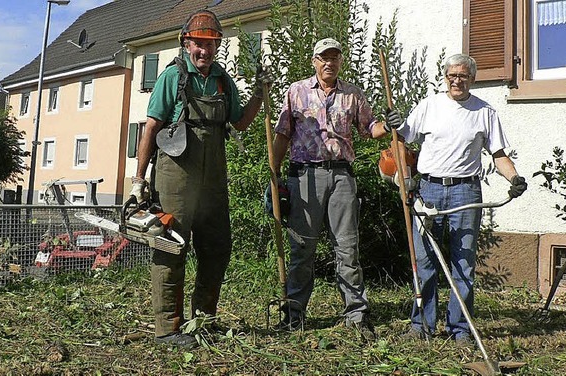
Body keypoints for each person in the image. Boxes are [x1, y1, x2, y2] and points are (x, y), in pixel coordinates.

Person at [130, 9, 271, 349]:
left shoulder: (223, 81)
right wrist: (138, 180)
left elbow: (239, 123)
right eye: (199, 44)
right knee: (171, 249)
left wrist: (259, 95)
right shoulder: (172, 78)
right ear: (186, 43)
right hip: (175, 176)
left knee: (217, 248)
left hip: (213, 180)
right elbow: (151, 128)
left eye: (211, 44)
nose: (205, 51)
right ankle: (167, 329)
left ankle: (204, 319)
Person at [390, 53, 528, 343]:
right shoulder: (429, 106)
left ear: (472, 79)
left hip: (466, 191)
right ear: (445, 77)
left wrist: (514, 178)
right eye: (452, 75)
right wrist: (396, 123)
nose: (457, 80)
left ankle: (460, 329)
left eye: (463, 76)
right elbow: (403, 135)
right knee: (425, 260)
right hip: (428, 189)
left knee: (463, 263)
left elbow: (499, 154)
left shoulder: (485, 112)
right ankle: (422, 326)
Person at [270, 37, 395, 342]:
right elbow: (282, 135)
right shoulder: (296, 92)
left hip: (341, 176)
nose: (329, 63)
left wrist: (388, 125)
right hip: (305, 178)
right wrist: (273, 174)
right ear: (314, 61)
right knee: (302, 249)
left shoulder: (352, 93)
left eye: (334, 57)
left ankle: (356, 314)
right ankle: (294, 314)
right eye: (324, 58)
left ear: (341, 61)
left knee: (347, 247)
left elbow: (370, 129)